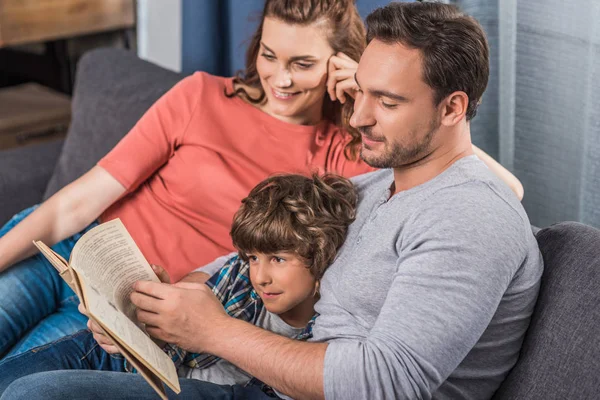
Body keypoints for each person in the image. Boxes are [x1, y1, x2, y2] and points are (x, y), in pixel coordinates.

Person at [0, 0, 521, 361]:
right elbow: (78, 201)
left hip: (135, 300)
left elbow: (504, 188)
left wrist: (364, 84)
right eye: (270, 56)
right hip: (73, 251)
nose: (280, 78)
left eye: (303, 63)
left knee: (17, 378)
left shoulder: (352, 153)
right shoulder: (200, 95)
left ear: (340, 64)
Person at [0, 172, 357, 395]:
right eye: (252, 258)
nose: (260, 275)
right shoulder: (237, 279)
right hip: (132, 357)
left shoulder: (328, 330)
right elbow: (185, 308)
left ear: (321, 254)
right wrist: (134, 321)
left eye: (278, 260)